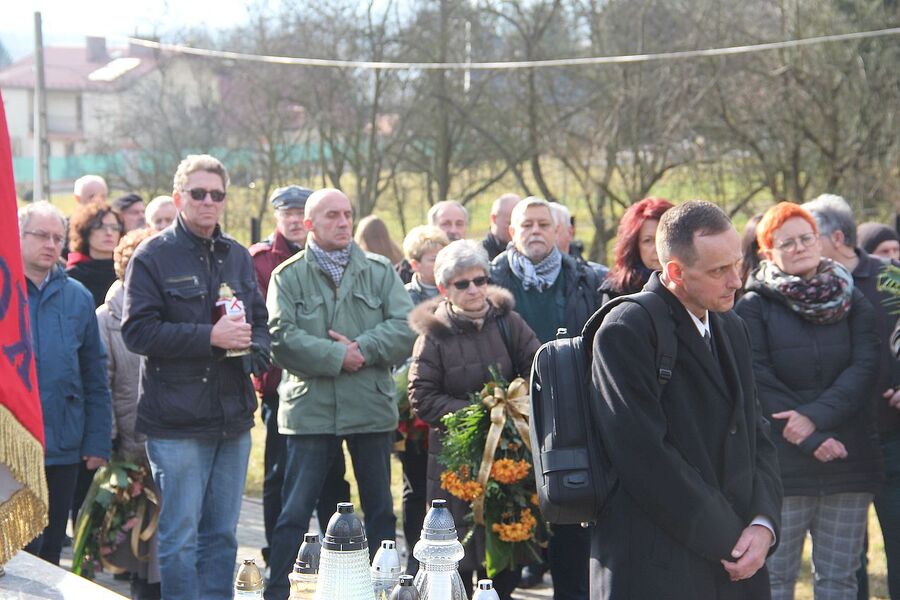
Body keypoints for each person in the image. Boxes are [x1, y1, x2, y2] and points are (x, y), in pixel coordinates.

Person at [591, 200, 782, 599]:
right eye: (719, 271)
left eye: (736, 264)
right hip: (658, 565)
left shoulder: (732, 325)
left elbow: (757, 433)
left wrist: (764, 525)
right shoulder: (627, 329)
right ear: (675, 272)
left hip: (737, 562)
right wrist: (730, 539)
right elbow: (644, 456)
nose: (736, 281)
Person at [121, 154, 270, 600]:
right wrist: (211, 337)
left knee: (222, 536)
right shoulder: (153, 255)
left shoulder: (238, 256)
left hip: (232, 418)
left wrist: (255, 351)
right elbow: (137, 331)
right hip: (177, 423)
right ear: (178, 197)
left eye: (217, 194)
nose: (209, 201)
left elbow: (261, 324)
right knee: (181, 538)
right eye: (198, 193)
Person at [265, 188, 417, 600]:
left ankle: (382, 592)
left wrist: (363, 350)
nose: (344, 222)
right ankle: (278, 592)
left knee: (381, 510)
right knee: (294, 511)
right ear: (310, 224)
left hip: (369, 405)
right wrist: (337, 356)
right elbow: (280, 337)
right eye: (332, 215)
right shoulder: (288, 275)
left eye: (348, 214)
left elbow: (406, 326)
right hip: (309, 411)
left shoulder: (380, 271)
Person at [736, 201, 880, 600]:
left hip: (847, 457)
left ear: (819, 241)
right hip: (783, 466)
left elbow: (865, 367)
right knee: (776, 579)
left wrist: (813, 418)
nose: (798, 247)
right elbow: (756, 378)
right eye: (786, 242)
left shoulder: (853, 299)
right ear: (768, 252)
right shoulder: (752, 306)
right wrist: (808, 436)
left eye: (806, 238)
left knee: (839, 579)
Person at [408, 239, 540, 599]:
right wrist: (479, 416)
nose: (474, 290)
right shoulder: (433, 335)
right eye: (462, 284)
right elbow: (422, 397)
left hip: (509, 454)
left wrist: (513, 404)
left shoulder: (508, 322)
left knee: (506, 552)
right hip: (457, 460)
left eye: (480, 280)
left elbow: (537, 369)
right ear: (443, 288)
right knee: (459, 558)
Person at [490, 196, 600, 599]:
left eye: (543, 224)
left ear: (558, 232)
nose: (535, 231)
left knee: (569, 518)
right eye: (526, 225)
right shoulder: (487, 281)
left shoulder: (586, 280)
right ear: (510, 232)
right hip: (505, 418)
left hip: (569, 416)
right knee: (508, 521)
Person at [801, 194, 900, 598]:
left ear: (836, 236)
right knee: (846, 561)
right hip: (840, 445)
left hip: (894, 440)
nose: (800, 246)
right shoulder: (804, 287)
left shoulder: (890, 278)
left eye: (808, 236)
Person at [248, 185, 350, 568]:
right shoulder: (259, 262)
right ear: (278, 218)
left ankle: (339, 553)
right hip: (280, 387)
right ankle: (280, 554)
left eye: (298, 212)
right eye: (285, 213)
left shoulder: (334, 259)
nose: (292, 220)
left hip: (328, 383)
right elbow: (270, 329)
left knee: (331, 474)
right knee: (279, 474)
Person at [20, 201, 112, 566]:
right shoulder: (5, 293)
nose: (51, 244)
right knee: (14, 550)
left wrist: (97, 441)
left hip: (63, 444)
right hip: (12, 447)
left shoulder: (77, 297)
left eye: (58, 237)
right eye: (41, 235)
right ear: (18, 236)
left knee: (50, 549)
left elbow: (94, 374)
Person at [96, 227, 160, 600]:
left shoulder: (164, 310)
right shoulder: (106, 317)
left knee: (168, 536)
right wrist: (110, 441)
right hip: (130, 445)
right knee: (137, 539)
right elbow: (101, 381)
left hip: (168, 436)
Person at [598, 197, 674, 303]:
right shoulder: (617, 292)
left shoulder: (692, 286)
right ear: (634, 246)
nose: (657, 248)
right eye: (648, 240)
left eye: (664, 239)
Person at [66, 201, 123, 307]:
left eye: (115, 228)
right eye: (100, 227)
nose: (109, 233)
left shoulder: (126, 272)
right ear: (85, 231)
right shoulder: (72, 276)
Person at [549, 202, 608, 283]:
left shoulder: (599, 278)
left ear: (570, 232)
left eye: (546, 225)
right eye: (528, 225)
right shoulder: (528, 279)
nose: (540, 233)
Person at [403, 225, 450, 305]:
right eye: (434, 260)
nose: (441, 263)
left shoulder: (457, 289)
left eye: (445, 257)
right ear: (415, 265)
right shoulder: (404, 297)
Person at [482, 193, 520, 260]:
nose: (515, 230)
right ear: (494, 219)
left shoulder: (528, 252)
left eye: (521, 225)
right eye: (510, 223)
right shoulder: (480, 255)